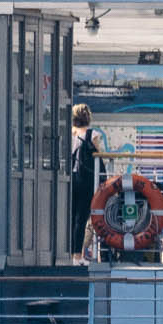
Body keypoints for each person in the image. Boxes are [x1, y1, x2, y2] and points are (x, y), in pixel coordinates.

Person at [67, 104, 99, 260]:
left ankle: (65, 253)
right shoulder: (93, 135)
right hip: (85, 180)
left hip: (67, 179)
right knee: (81, 218)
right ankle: (77, 256)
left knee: (69, 217)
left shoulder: (68, 133)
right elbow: (99, 157)